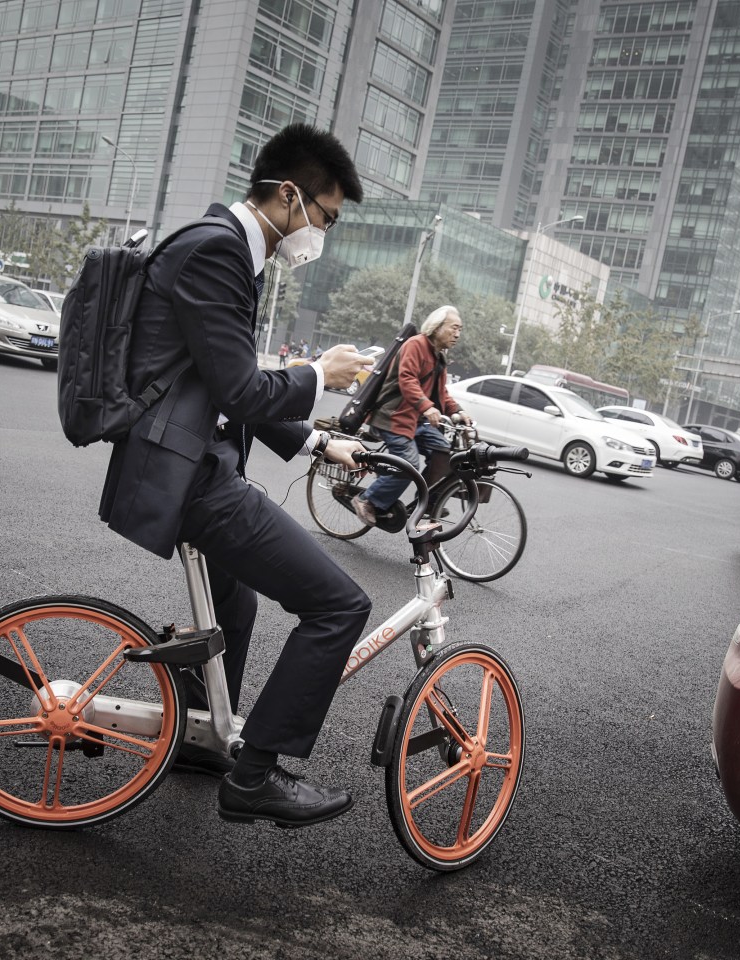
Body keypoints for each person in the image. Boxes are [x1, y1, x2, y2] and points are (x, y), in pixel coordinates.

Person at [99, 123, 375, 828]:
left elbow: (223, 380)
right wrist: (319, 375)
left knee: (238, 607)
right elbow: (242, 393)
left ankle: (196, 735)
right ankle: (256, 775)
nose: (322, 235)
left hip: (189, 461)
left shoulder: (229, 250)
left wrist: (317, 442)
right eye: (325, 218)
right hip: (189, 477)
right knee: (339, 605)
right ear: (289, 196)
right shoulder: (218, 251)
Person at [353, 306, 467, 524]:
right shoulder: (415, 345)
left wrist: (458, 411)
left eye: (460, 329)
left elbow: (441, 393)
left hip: (418, 421)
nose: (457, 334)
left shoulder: (439, 356)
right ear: (437, 326)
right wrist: (426, 406)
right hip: (394, 417)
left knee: (445, 455)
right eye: (454, 328)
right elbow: (407, 379)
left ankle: (428, 501)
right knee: (409, 464)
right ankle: (367, 499)